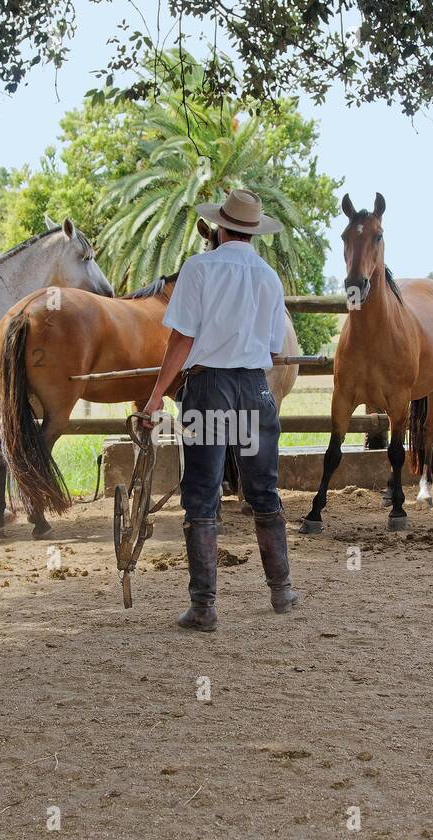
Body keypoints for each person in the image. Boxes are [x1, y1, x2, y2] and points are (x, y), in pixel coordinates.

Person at [141, 188, 299, 632]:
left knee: (202, 493)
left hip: (209, 388)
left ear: (220, 227)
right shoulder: (270, 278)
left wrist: (155, 398)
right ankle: (281, 589)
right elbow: (272, 346)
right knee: (264, 490)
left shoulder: (199, 268)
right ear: (253, 232)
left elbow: (182, 340)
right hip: (255, 390)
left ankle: (204, 606)